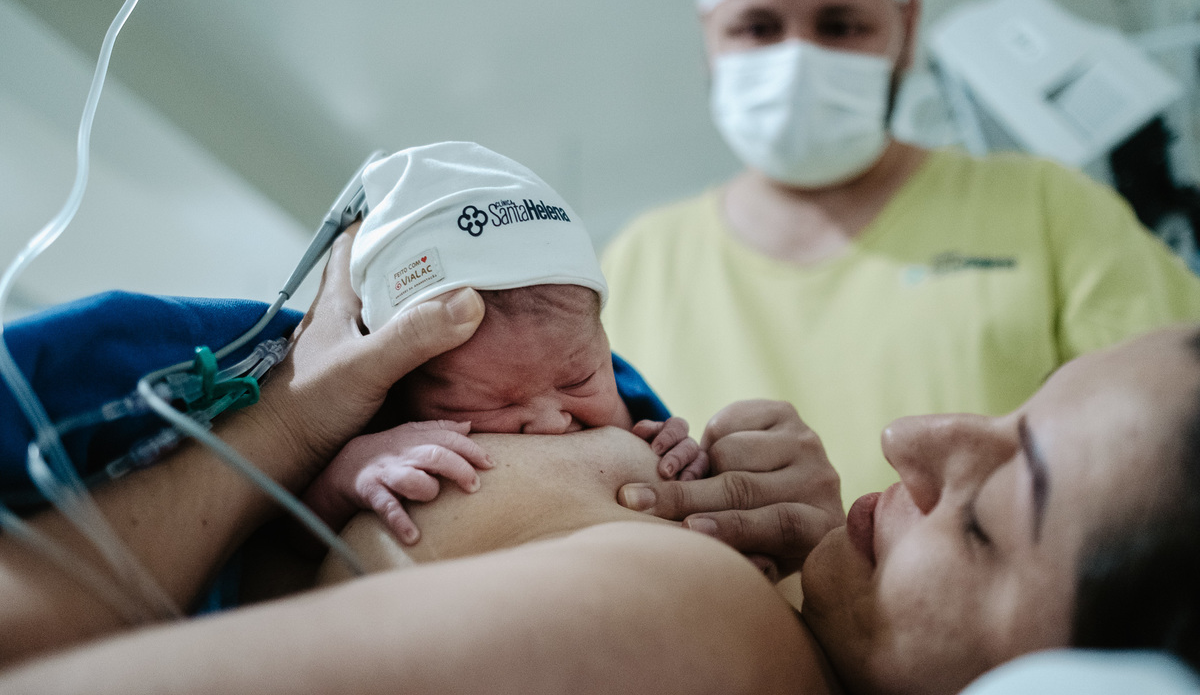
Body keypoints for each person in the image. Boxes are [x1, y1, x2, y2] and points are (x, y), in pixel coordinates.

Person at [3, 318, 1199, 694]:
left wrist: (286, 416)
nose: (907, 442)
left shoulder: (694, 624)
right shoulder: (752, 599)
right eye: (1011, 406)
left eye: (988, 518)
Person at [600, 0, 1200, 503]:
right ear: (709, 36)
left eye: (840, 24)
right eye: (757, 26)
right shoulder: (632, 267)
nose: (796, 62)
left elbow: (1173, 445)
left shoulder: (1052, 211)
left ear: (906, 27)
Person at [300, 140, 705, 547]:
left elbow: (689, 496)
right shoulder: (379, 440)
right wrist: (343, 480)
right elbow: (282, 549)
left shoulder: (628, 407)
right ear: (395, 390)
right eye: (497, 403)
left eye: (578, 381)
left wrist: (678, 456)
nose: (550, 425)